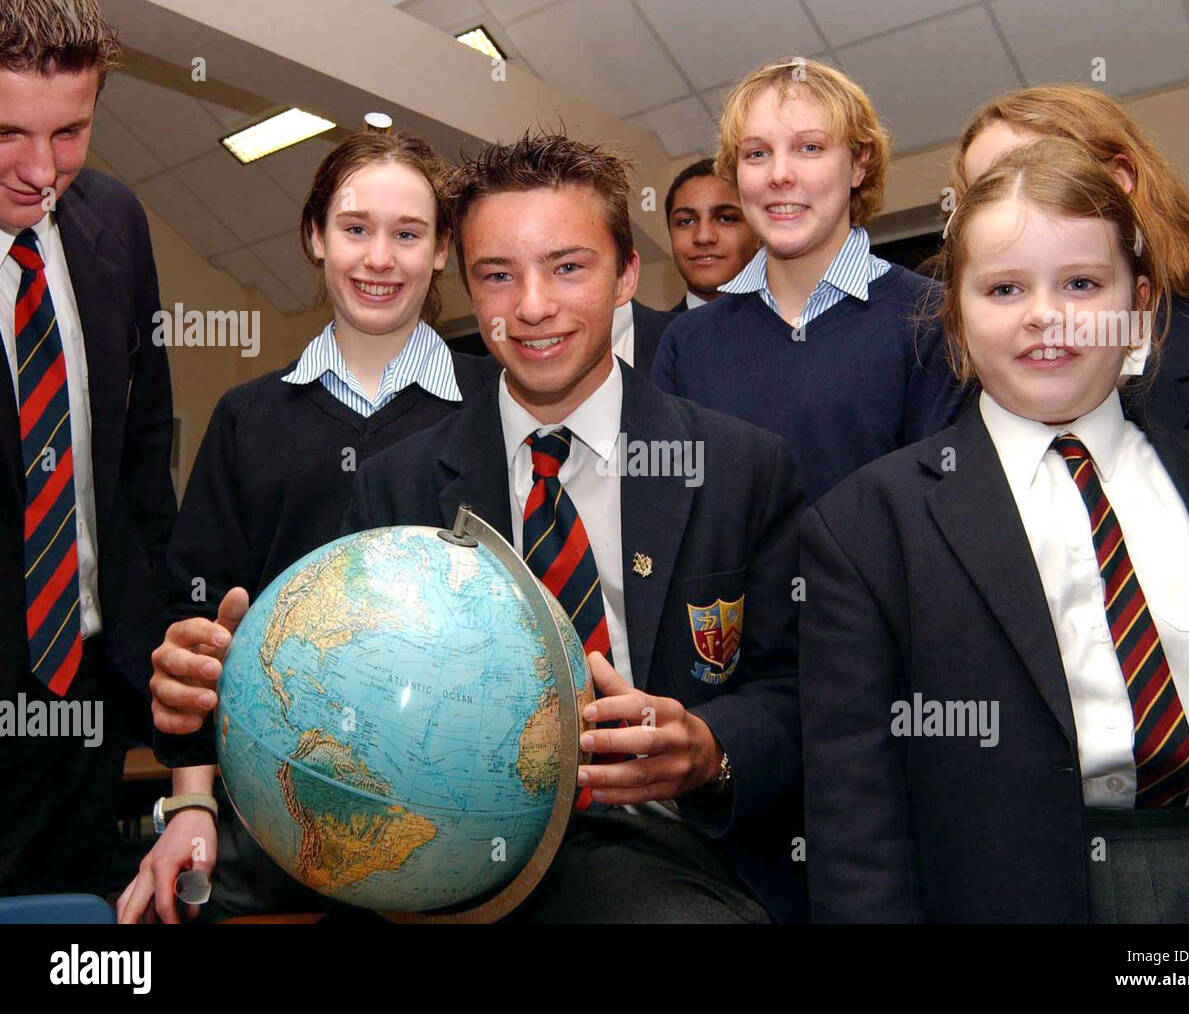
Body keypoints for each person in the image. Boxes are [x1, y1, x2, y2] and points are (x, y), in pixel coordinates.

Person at [146, 131, 808, 924]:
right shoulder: (401, 482)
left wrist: (708, 746)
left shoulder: (739, 469)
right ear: (467, 288)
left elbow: (796, 693)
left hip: (660, 848)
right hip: (437, 851)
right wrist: (223, 689)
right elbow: (347, 707)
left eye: (568, 267)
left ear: (628, 273)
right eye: (498, 276)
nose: (532, 307)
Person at [801, 139, 1189, 923]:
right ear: (957, 321)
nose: (1045, 316)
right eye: (1003, 288)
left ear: (1139, 304)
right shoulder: (869, 528)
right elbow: (855, 821)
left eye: (1081, 283)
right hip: (1010, 889)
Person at [118, 130, 496, 923]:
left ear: (441, 253)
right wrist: (191, 807)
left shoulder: (496, 407)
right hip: (277, 805)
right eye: (356, 228)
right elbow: (194, 627)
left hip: (463, 814)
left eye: (408, 234)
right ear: (314, 236)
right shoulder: (246, 420)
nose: (379, 258)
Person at [0, 0, 176, 896]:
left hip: (87, 689)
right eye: (6, 134)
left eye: (69, 130)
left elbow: (145, 458)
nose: (41, 172)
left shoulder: (116, 219)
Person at [955, 84, 1189, 487]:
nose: (1013, 204)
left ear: (1119, 181)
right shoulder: (969, 391)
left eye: (1041, 172)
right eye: (985, 192)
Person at [652, 58, 960, 502]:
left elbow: (941, 512)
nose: (779, 174)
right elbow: (674, 514)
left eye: (809, 148)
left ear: (858, 164)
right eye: (757, 154)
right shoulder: (688, 343)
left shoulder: (932, 319)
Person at [664, 158, 760, 312]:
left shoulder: (797, 329)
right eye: (686, 221)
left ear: (758, 235)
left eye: (726, 218)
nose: (703, 237)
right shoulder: (655, 335)